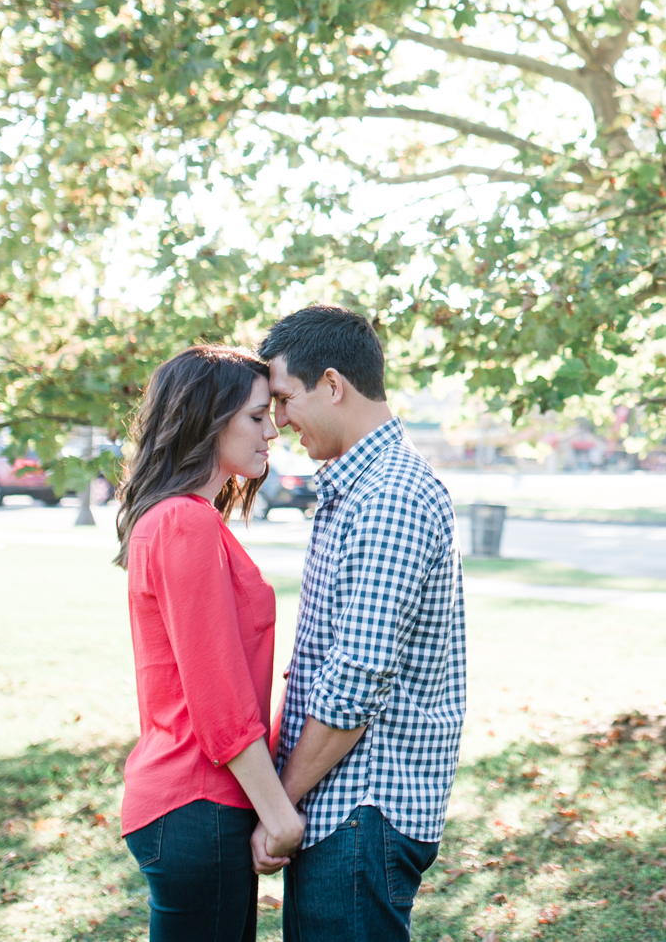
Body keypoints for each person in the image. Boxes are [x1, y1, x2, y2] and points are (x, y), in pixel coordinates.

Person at [261, 304, 465, 942]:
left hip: (361, 805)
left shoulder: (389, 497)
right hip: (345, 804)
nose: (277, 421)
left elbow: (357, 678)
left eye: (284, 399)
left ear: (331, 384)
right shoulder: (358, 486)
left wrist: (281, 802)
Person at [115, 346, 308, 941]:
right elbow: (217, 693)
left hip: (194, 804)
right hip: (196, 801)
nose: (272, 430)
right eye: (256, 416)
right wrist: (279, 814)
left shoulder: (183, 518)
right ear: (207, 418)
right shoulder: (182, 522)